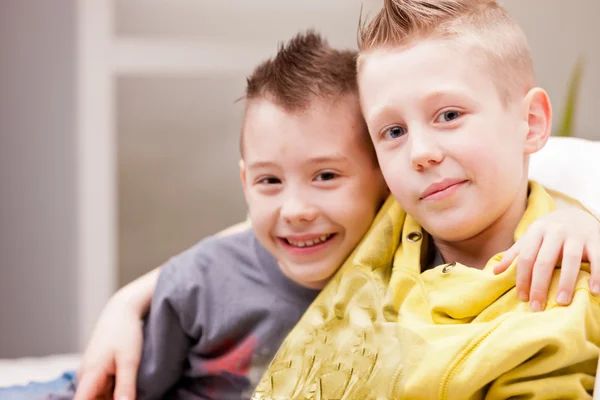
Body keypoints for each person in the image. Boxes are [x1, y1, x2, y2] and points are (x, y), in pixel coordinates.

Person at [72, 32, 600, 400]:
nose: (298, 210)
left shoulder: (426, 232)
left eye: (326, 176)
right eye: (393, 132)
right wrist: (128, 299)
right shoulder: (210, 278)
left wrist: (584, 222)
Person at [251, 1, 600, 398]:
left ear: (531, 123)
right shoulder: (390, 211)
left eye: (449, 115)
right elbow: (284, 214)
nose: (419, 152)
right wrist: (169, 279)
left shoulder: (561, 294)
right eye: (394, 131)